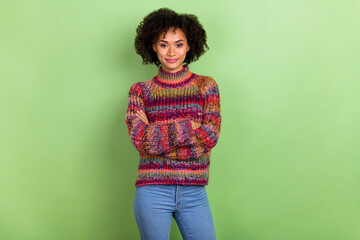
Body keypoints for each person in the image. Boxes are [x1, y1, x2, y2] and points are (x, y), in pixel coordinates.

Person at [125, 7, 221, 240]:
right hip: (152, 191)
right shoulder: (140, 91)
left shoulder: (206, 87)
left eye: (178, 44)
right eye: (163, 44)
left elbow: (209, 138)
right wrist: (190, 126)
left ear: (189, 46)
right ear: (153, 46)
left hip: (194, 192)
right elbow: (142, 141)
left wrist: (158, 138)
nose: (171, 52)